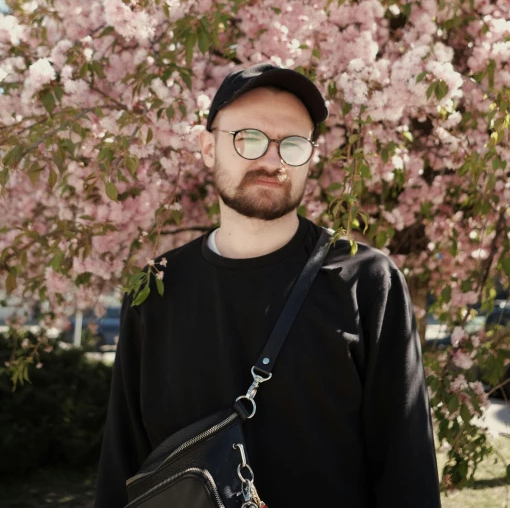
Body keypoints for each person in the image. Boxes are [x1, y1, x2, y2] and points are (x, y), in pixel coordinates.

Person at [94, 62, 442, 508]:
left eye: (293, 144)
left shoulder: (367, 282)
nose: (272, 160)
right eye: (249, 138)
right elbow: (122, 462)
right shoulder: (157, 289)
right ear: (207, 147)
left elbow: (406, 470)